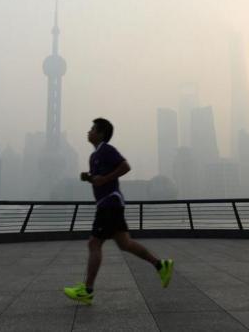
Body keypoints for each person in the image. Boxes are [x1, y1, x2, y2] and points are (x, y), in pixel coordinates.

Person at [64, 118, 173, 305]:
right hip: (108, 204)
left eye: (92, 129)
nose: (88, 132)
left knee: (94, 243)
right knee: (125, 243)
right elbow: (99, 179)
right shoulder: (94, 156)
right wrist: (89, 178)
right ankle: (160, 265)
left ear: (101, 134)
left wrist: (105, 179)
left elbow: (125, 167)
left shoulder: (107, 149)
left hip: (110, 203)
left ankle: (87, 290)